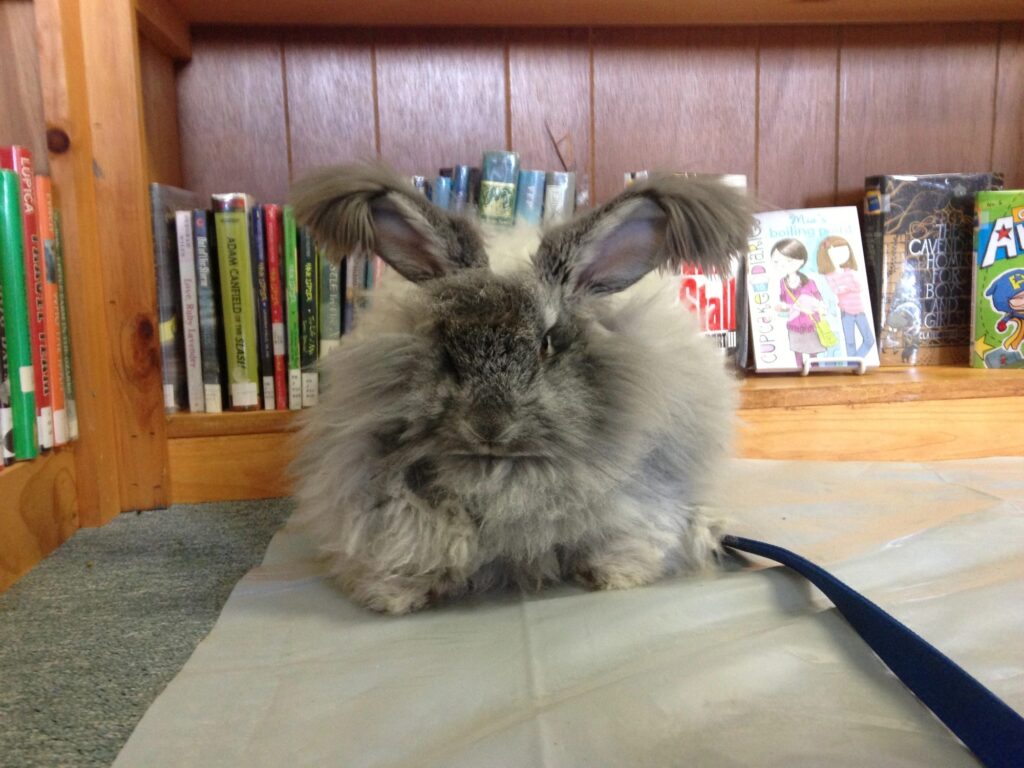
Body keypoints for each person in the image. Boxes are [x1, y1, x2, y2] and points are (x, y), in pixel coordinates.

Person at [771, 238, 829, 369]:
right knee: (797, 349)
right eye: (776, 261)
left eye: (788, 261)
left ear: (801, 260)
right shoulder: (782, 282)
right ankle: (798, 368)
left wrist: (820, 306)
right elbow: (784, 300)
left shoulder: (809, 282)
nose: (782, 265)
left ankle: (815, 369)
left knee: (812, 350)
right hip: (794, 323)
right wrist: (781, 307)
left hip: (809, 321)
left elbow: (819, 299)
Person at [816, 235, 875, 360]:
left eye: (845, 251)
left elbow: (859, 287)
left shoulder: (850, 271)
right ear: (828, 255)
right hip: (846, 312)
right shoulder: (830, 275)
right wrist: (848, 287)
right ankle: (852, 363)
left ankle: (854, 361)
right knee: (850, 342)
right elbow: (837, 290)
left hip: (860, 311)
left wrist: (847, 287)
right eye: (837, 253)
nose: (842, 255)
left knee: (869, 339)